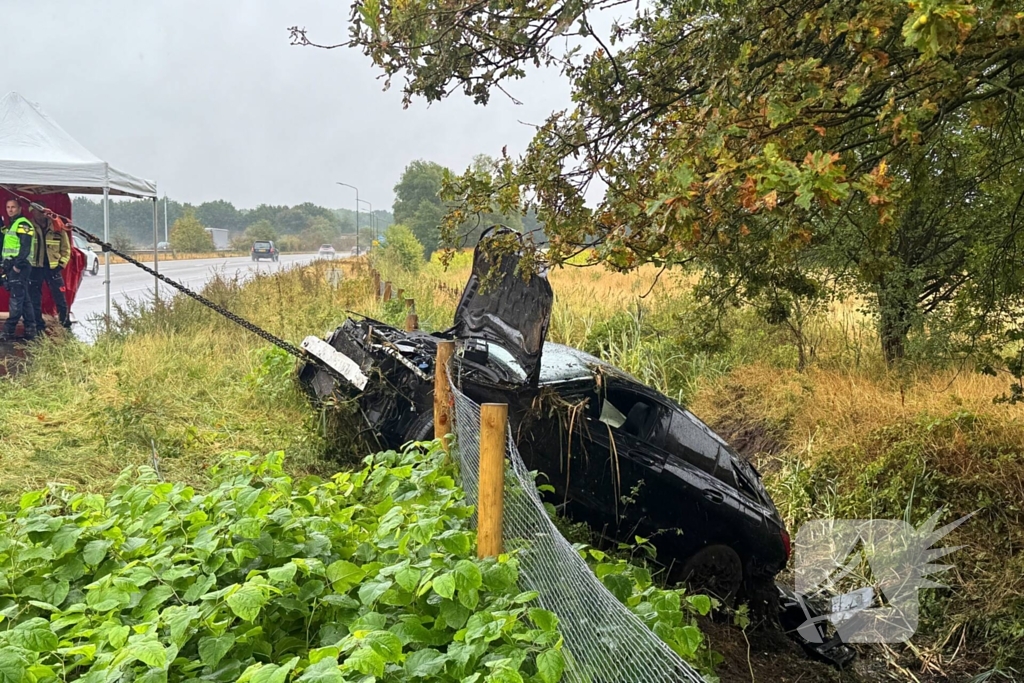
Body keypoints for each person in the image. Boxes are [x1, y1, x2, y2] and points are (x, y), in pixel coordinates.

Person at [28, 206, 71, 331]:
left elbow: (66, 249)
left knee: (60, 297)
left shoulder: (57, 227)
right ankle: (38, 324)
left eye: (40, 212)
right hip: (35, 268)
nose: (38, 214)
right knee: (34, 298)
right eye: (35, 211)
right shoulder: (28, 227)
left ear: (46, 213)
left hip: (53, 268)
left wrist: (61, 264)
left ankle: (65, 323)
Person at [1, 199, 38, 341]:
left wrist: (17, 265)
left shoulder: (23, 224)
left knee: (16, 299)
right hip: (13, 265)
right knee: (25, 299)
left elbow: (25, 247)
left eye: (13, 207)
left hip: (20, 266)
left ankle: (8, 331)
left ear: (20, 208)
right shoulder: (12, 224)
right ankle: (30, 329)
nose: (10, 210)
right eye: (8, 207)